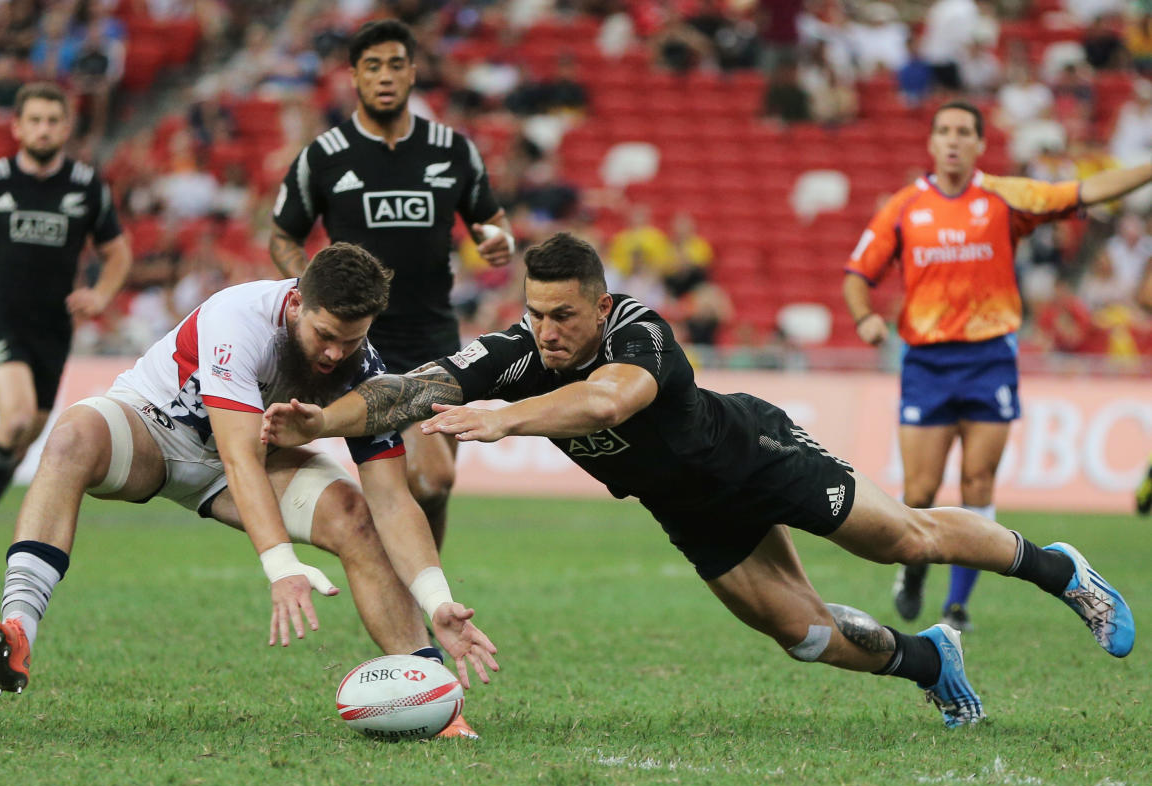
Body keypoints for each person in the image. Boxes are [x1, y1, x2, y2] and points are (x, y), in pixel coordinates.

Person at [264, 232, 1135, 729]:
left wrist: (505, 418)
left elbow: (612, 402)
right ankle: (927, 660)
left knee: (901, 537)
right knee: (803, 637)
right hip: (685, 509)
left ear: (601, 305)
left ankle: (1062, 572)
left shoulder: (640, 332)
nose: (547, 330)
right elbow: (409, 392)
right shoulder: (518, 349)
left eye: (564, 315)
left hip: (756, 458)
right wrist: (322, 420)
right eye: (535, 312)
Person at [0, 243, 498, 739]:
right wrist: (281, 566)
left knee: (356, 518)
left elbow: (392, 499)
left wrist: (438, 599)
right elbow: (238, 453)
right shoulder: (238, 317)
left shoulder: (363, 368)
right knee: (70, 438)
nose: (335, 354)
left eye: (351, 339)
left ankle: (437, 698)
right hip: (154, 429)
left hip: (245, 460)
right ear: (295, 303)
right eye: (324, 335)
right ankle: (19, 629)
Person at [842, 100, 1152, 633]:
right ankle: (914, 572)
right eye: (945, 131)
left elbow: (1086, 191)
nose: (954, 140)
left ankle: (957, 607)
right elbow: (856, 274)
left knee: (978, 483)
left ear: (981, 144)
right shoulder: (904, 207)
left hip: (989, 360)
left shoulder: (1005, 197)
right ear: (932, 143)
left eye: (965, 131)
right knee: (918, 492)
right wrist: (865, 317)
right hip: (927, 364)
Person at [269, 19, 514, 554]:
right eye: (373, 66)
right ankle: (412, 597)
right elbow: (284, 234)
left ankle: (421, 599)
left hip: (436, 338)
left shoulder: (453, 151)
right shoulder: (325, 155)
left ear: (413, 72)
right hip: (361, 344)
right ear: (354, 76)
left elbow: (491, 218)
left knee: (436, 485)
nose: (385, 76)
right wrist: (310, 291)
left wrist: (499, 239)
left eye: (395, 64)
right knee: (428, 479)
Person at [0, 82, 133, 587]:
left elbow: (118, 251)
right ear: (16, 127)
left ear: (66, 128)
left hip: (52, 331)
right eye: (34, 120)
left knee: (26, 435)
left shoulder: (86, 186)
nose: (43, 129)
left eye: (53, 121)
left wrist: (101, 294)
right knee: (15, 421)